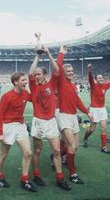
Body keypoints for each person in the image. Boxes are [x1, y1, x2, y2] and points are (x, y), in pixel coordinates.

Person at [28, 46, 71, 190]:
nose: (37, 76)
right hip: (38, 122)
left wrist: (48, 53)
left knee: (57, 151)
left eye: (39, 74)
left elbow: (57, 71)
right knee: (38, 150)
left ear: (45, 76)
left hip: (51, 121)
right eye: (37, 74)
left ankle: (60, 178)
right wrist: (37, 56)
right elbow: (30, 73)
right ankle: (36, 175)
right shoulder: (33, 86)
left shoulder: (51, 84)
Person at [56, 45, 94, 184]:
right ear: (63, 73)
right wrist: (62, 53)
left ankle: (57, 156)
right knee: (71, 146)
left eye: (72, 70)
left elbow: (77, 101)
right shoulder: (60, 81)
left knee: (75, 147)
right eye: (68, 71)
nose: (71, 72)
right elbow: (58, 65)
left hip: (73, 116)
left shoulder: (72, 85)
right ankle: (73, 174)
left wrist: (87, 112)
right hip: (63, 116)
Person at [0, 72, 37, 192]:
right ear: (15, 82)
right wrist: (0, 132)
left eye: (26, 80)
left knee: (28, 153)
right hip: (7, 126)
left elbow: (34, 98)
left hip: (20, 125)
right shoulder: (7, 96)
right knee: (3, 154)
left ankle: (25, 180)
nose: (26, 82)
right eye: (23, 80)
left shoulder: (25, 93)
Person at [83, 64, 110, 154]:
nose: (101, 79)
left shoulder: (105, 85)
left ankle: (104, 147)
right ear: (96, 79)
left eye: (102, 77)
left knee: (104, 127)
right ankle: (85, 138)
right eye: (99, 78)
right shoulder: (93, 85)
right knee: (92, 129)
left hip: (102, 109)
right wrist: (90, 71)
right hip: (94, 109)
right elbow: (90, 79)